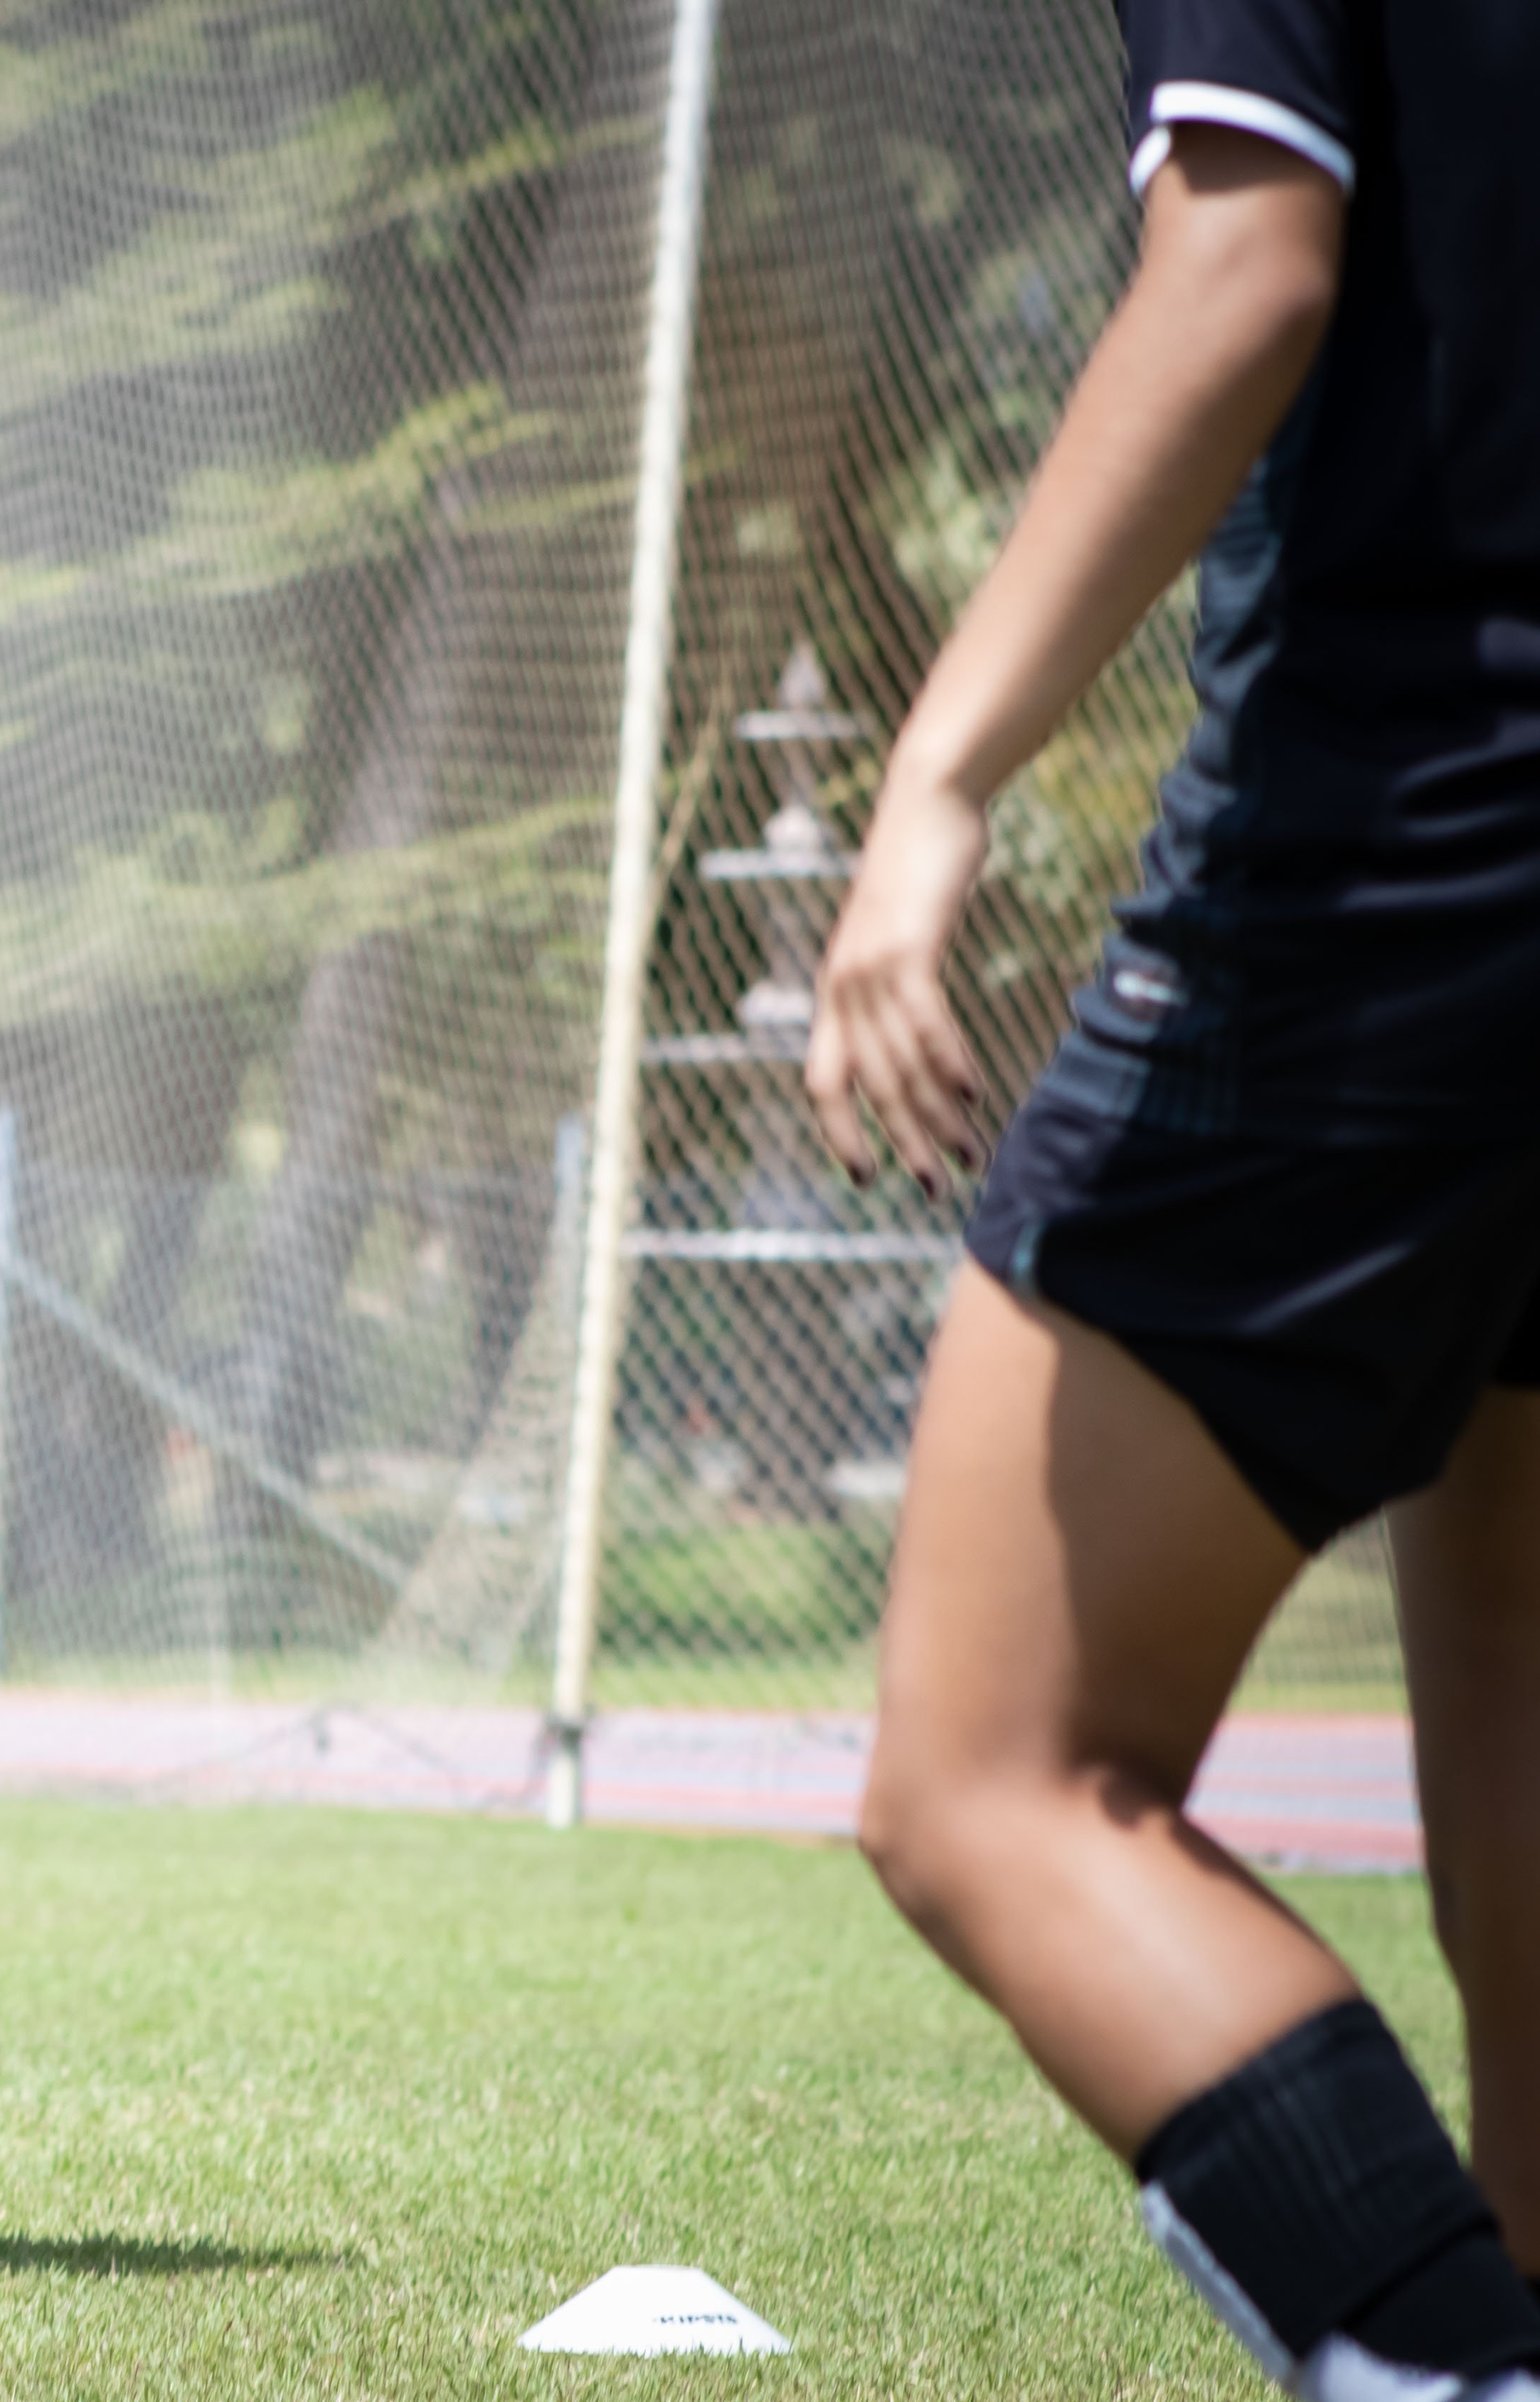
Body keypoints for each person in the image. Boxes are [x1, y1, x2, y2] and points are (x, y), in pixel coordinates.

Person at [807, 9, 1540, 2394]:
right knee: (1518, 1756)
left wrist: (940, 773)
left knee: (993, 1777)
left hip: (1416, 851)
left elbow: (1247, 258)